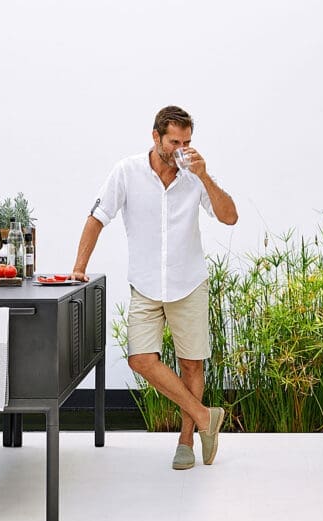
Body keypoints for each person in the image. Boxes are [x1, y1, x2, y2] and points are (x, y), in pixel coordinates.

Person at [71, 106, 238, 470]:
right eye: (174, 141)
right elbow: (97, 218)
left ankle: (186, 442)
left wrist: (206, 177)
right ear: (156, 137)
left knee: (191, 364)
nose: (181, 148)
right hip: (145, 284)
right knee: (141, 358)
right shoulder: (126, 172)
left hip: (189, 283)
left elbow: (229, 216)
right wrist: (79, 268)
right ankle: (206, 416)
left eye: (187, 141)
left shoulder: (195, 176)